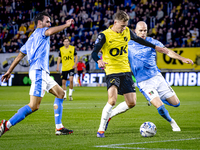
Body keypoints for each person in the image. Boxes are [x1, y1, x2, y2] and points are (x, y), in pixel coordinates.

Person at [91, 10, 169, 138]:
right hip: (112, 71)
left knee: (132, 103)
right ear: (115, 22)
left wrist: (155, 47)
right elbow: (94, 52)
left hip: (125, 71)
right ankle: (101, 130)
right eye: (122, 25)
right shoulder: (104, 35)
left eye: (126, 25)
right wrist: (98, 60)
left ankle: (110, 115)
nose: (124, 28)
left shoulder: (127, 31)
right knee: (112, 99)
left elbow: (139, 40)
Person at [0, 11, 74, 137]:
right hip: (39, 72)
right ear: (39, 23)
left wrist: (9, 71)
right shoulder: (41, 31)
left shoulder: (30, 39)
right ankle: (6, 124)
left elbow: (19, 56)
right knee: (34, 106)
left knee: (61, 93)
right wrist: (66, 25)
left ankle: (59, 127)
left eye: (50, 22)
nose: (49, 24)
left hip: (42, 73)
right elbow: (50, 32)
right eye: (47, 21)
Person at [127, 21, 193, 131]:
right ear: (135, 31)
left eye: (145, 31)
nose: (143, 33)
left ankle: (156, 96)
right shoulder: (128, 43)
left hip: (157, 78)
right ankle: (172, 122)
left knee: (176, 103)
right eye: (140, 31)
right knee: (160, 107)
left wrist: (182, 59)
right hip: (144, 83)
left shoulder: (152, 42)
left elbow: (167, 51)